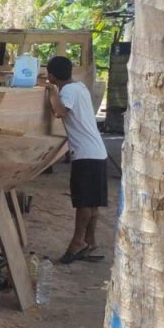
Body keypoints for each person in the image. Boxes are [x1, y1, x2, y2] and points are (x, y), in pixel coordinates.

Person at [45, 55, 108, 264]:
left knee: (83, 203)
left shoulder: (67, 91)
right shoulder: (79, 87)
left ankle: (77, 242)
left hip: (85, 155)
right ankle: (90, 242)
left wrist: (51, 92)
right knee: (92, 203)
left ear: (52, 76)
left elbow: (60, 112)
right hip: (97, 152)